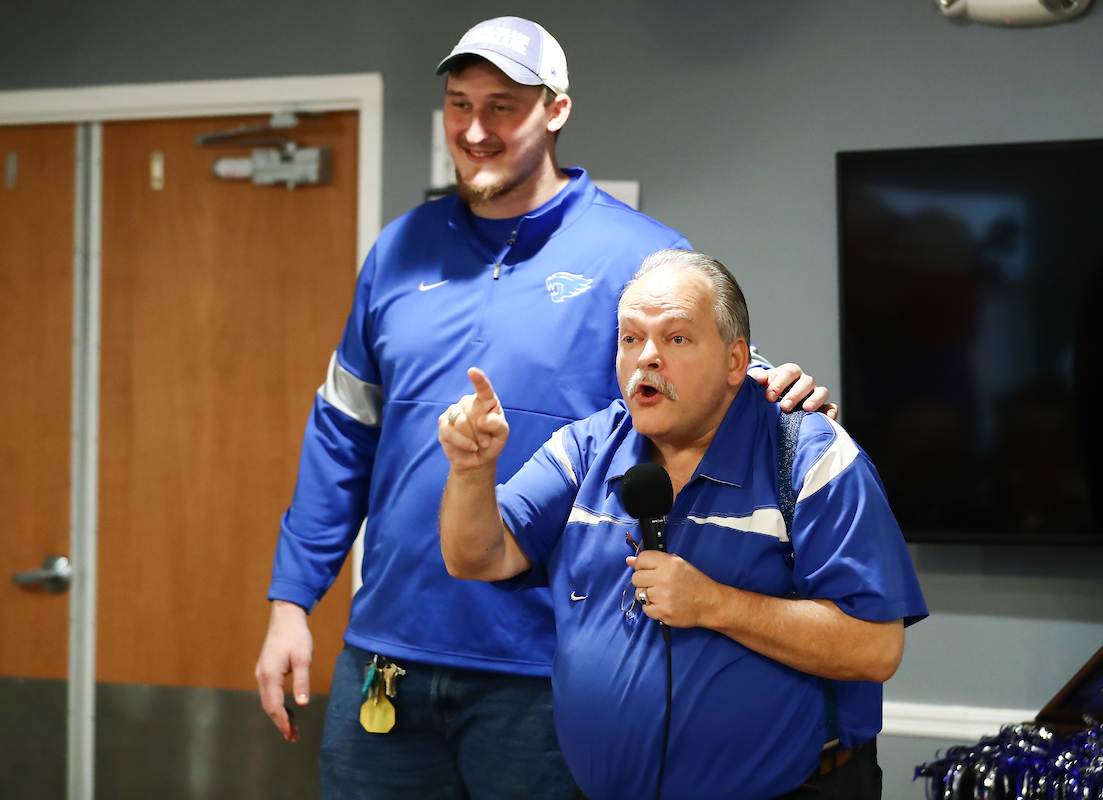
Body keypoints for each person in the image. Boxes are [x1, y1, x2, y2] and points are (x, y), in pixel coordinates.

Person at [254, 16, 833, 800]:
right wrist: (293, 601)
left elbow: (705, 383)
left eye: (502, 106)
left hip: (550, 666)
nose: (475, 130)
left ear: (555, 111)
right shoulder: (398, 251)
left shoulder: (636, 253)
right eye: (459, 105)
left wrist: (775, 388)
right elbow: (342, 432)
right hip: (388, 654)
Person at [438, 249, 927, 800]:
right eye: (630, 338)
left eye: (676, 339)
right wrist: (471, 472)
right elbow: (476, 556)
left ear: (736, 361)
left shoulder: (811, 457)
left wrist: (715, 604)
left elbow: (874, 649)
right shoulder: (586, 449)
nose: (646, 358)